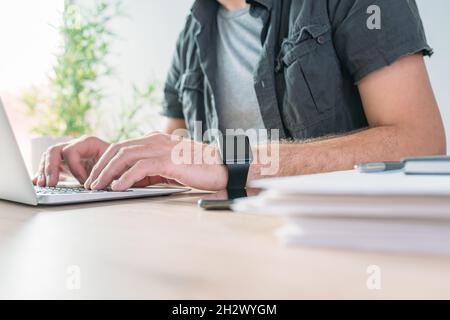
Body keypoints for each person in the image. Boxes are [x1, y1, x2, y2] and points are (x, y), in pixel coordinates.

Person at [33, 0, 446, 192]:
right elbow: (179, 151)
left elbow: (421, 142)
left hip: (338, 248)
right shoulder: (193, 31)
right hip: (232, 238)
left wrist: (235, 161)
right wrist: (132, 162)